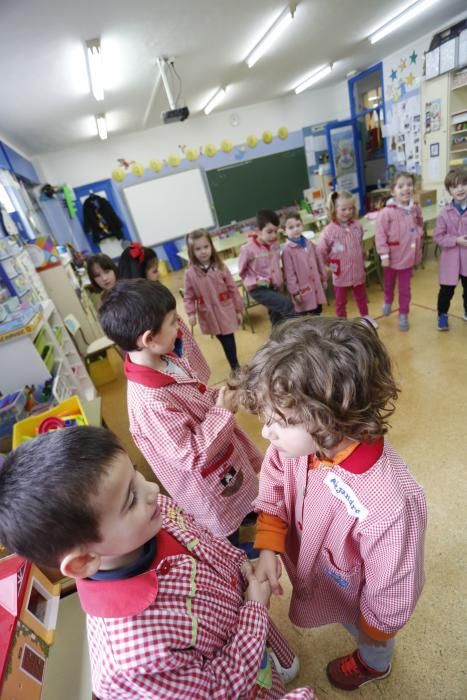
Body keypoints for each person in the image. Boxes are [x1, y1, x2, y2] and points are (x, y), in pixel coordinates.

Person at [0, 426, 316, 700]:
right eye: (130, 499)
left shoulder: (150, 514)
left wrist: (241, 567)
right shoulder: (129, 661)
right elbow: (222, 689)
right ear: (83, 562)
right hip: (243, 672)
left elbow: (203, 541)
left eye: (135, 474)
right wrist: (254, 611)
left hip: (243, 626)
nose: (151, 489)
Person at [231, 316, 427, 692]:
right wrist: (268, 542)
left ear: (333, 416)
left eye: (280, 420)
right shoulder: (292, 447)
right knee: (341, 613)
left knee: (368, 634)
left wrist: (377, 628)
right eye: (266, 417)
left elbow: (395, 582)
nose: (266, 432)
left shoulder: (389, 503)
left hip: (362, 600)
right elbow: (270, 483)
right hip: (324, 580)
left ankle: (375, 663)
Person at [99, 279, 262, 545]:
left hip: (222, 457)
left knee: (243, 498)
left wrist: (218, 396)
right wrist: (221, 413)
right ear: (149, 339)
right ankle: (240, 553)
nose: (180, 329)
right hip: (209, 485)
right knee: (227, 532)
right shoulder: (150, 401)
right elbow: (191, 454)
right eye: (174, 322)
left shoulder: (165, 359)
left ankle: (250, 517)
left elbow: (194, 393)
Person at [118, 241, 210, 384]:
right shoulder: (140, 306)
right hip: (170, 345)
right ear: (140, 275)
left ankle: (196, 384)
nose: (159, 273)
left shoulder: (154, 290)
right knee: (184, 372)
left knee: (190, 368)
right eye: (154, 271)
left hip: (175, 336)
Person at [184, 229, 243, 370]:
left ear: (211, 246)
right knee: (223, 338)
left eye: (206, 247)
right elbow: (188, 296)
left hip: (225, 310)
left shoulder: (221, 267)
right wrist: (191, 313)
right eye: (198, 249)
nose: (203, 251)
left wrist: (239, 309)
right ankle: (234, 365)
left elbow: (233, 289)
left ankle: (235, 367)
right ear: (192, 252)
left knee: (228, 339)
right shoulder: (190, 274)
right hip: (209, 315)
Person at [317, 192, 377, 327]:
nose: (348, 212)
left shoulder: (357, 225)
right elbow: (320, 251)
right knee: (340, 301)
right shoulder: (328, 231)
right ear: (334, 209)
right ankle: (341, 323)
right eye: (343, 209)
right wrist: (329, 267)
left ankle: (365, 316)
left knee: (361, 296)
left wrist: (362, 254)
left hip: (357, 269)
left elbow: (359, 242)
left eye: (350, 208)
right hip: (340, 271)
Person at [375, 171, 424, 331]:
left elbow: (419, 223)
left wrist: (418, 233)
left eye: (409, 185)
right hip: (390, 257)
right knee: (389, 285)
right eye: (401, 186)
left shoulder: (415, 207)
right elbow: (380, 234)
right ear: (392, 191)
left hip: (407, 259)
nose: (406, 189)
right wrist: (383, 254)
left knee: (405, 289)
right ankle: (388, 301)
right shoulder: (386, 212)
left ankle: (403, 313)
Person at [238, 209, 295, 326]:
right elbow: (242, 271)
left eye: (275, 231)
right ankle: (300, 334)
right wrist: (255, 281)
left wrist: (278, 280)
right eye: (269, 232)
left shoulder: (275, 244)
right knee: (287, 305)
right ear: (258, 231)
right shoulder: (247, 249)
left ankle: (276, 341)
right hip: (258, 288)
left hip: (274, 286)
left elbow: (276, 264)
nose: (273, 235)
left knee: (277, 318)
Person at [433, 167, 467, 331]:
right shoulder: (444, 213)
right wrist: (456, 240)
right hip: (450, 261)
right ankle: (442, 315)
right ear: (449, 191)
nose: (460, 188)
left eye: (464, 184)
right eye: (455, 186)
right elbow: (438, 237)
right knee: (446, 291)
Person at [282, 211, 327, 316]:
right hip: (302, 291)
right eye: (291, 227)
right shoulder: (287, 251)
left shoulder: (309, 243)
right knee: (305, 316)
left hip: (316, 286)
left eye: (298, 225)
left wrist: (323, 278)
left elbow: (318, 261)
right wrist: (295, 292)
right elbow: (289, 274)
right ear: (284, 231)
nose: (296, 229)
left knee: (317, 312)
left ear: (302, 225)